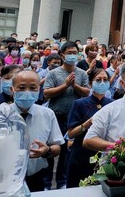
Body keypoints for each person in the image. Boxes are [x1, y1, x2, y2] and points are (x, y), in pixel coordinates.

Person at [0, 70, 64, 192]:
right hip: (5, 175)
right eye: (21, 87)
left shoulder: (47, 114)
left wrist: (47, 151)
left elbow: (57, 146)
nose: (27, 92)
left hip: (36, 175)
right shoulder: (0, 114)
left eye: (32, 88)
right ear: (12, 89)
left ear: (38, 90)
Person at [43, 41, 90, 190]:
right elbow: (46, 93)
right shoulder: (53, 73)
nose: (72, 56)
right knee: (51, 150)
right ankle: (46, 184)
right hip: (56, 116)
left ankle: (62, 182)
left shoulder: (81, 73)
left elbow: (87, 92)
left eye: (74, 53)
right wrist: (65, 85)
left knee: (67, 153)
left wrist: (75, 85)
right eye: (69, 53)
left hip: (74, 118)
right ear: (62, 55)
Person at [66, 68, 113, 188]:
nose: (102, 82)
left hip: (105, 154)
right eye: (98, 80)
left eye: (105, 80)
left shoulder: (113, 104)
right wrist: (87, 123)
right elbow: (71, 134)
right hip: (82, 154)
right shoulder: (80, 104)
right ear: (91, 84)